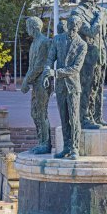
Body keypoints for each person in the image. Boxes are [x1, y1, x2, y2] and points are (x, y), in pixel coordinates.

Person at [43, 15, 87, 160]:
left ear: (79, 27)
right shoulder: (57, 39)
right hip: (61, 87)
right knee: (64, 118)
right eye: (71, 23)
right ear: (67, 24)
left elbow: (76, 68)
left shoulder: (82, 44)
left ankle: (75, 148)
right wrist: (47, 72)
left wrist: (55, 73)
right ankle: (66, 147)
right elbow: (50, 58)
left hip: (73, 87)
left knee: (74, 118)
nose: (73, 26)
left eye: (76, 24)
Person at [71, 0, 102, 129]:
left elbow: (103, 35)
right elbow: (89, 32)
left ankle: (94, 115)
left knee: (95, 87)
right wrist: (99, 19)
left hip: (96, 55)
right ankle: (84, 117)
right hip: (85, 57)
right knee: (86, 87)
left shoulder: (94, 10)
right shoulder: (78, 13)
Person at [21, 16, 52, 154]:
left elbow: (39, 65)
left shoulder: (45, 42)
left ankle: (46, 143)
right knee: (34, 113)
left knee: (41, 112)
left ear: (33, 27)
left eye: (28, 27)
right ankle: (41, 141)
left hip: (43, 82)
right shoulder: (34, 43)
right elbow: (31, 66)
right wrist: (26, 80)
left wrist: (27, 80)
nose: (26, 30)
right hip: (35, 83)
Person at [88, 0, 107, 126]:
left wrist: (105, 43)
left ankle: (99, 116)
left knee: (99, 87)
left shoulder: (104, 11)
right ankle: (89, 116)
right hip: (90, 54)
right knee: (91, 87)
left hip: (101, 52)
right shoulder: (85, 12)